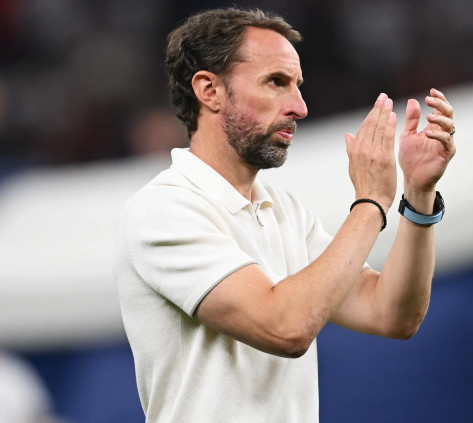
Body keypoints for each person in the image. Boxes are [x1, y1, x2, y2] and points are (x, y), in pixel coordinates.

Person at [114, 7, 455, 423]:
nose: (300, 107)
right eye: (276, 82)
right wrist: (370, 202)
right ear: (210, 90)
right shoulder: (163, 208)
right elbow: (286, 327)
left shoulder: (285, 211)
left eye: (297, 86)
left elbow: (391, 314)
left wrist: (418, 194)